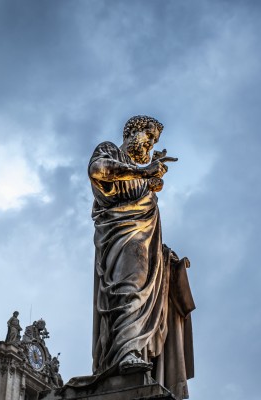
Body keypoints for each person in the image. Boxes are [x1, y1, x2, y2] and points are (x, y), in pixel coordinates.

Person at [88, 115, 193, 398]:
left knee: (145, 299)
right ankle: (125, 354)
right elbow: (98, 170)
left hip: (145, 247)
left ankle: (137, 356)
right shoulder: (109, 150)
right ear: (133, 132)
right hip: (119, 237)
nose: (150, 143)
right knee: (128, 289)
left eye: (154, 140)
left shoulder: (140, 175)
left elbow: (151, 227)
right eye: (148, 136)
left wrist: (166, 257)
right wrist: (146, 171)